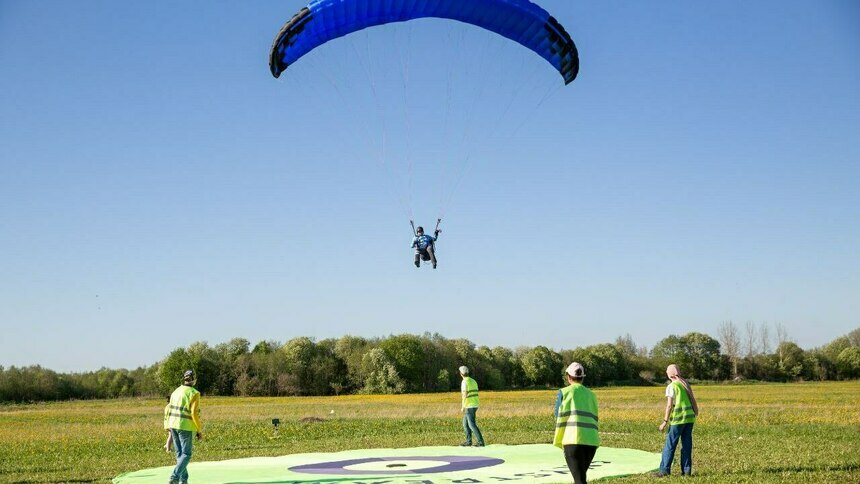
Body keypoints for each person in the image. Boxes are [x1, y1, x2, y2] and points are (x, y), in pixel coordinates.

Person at [554, 362, 599, 484]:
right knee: (580, 476)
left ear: (568, 377)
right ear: (582, 377)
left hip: (572, 440)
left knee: (579, 480)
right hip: (591, 441)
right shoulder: (592, 395)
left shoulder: (564, 392)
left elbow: (556, 413)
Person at [655, 364, 699, 477]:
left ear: (669, 374)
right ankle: (686, 471)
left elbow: (669, 406)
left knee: (670, 445)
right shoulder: (685, 384)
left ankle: (664, 470)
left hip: (678, 420)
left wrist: (664, 421)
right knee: (686, 445)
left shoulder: (672, 386)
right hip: (689, 418)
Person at [165, 370, 203, 484]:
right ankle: (174, 477)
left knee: (180, 454)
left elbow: (169, 408)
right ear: (194, 380)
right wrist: (199, 430)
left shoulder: (176, 391)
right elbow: (194, 413)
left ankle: (183, 480)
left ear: (184, 379)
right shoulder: (194, 393)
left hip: (173, 424)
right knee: (186, 454)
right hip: (185, 426)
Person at [459, 366, 485, 447]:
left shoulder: (464, 382)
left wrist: (463, 406)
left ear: (461, 374)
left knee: (471, 424)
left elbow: (464, 394)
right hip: (475, 404)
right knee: (465, 424)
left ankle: (481, 442)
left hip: (469, 405)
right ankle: (468, 441)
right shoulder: (473, 381)